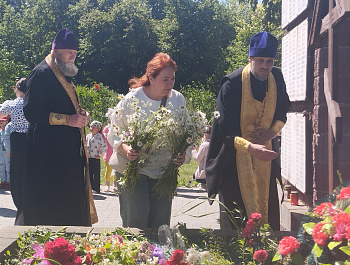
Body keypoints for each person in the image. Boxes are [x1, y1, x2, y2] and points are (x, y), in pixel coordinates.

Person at [206, 31, 291, 231]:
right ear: (250, 58)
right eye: (260, 60)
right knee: (237, 219)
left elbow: (283, 108)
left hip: (265, 158)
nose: (265, 66)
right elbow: (223, 129)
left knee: (267, 209)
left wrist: (273, 132)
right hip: (234, 160)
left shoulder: (276, 77)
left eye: (269, 61)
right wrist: (249, 147)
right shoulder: (232, 84)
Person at [22, 28, 97, 226]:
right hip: (47, 154)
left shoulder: (63, 73)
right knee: (50, 204)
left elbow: (66, 105)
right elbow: (31, 112)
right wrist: (69, 120)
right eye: (68, 51)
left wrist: (81, 114)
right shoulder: (41, 73)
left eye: (75, 52)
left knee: (68, 199)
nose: (72, 55)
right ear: (55, 52)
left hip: (65, 153)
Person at [107, 53, 190, 229]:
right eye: (165, 79)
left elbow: (186, 132)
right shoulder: (133, 99)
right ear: (151, 78)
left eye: (173, 79)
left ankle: (159, 256)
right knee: (137, 219)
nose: (170, 84)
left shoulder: (177, 99)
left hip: (164, 170)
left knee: (161, 222)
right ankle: (135, 255)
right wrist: (125, 148)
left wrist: (184, 155)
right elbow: (114, 129)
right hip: (135, 168)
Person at [0, 78, 29, 223]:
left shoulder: (12, 103)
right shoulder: (32, 102)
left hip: (17, 139)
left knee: (16, 171)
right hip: (31, 138)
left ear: (17, 89)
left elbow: (1, 113)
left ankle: (20, 203)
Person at [86, 120, 107, 194]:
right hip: (89, 157)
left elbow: (105, 146)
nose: (91, 128)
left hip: (95, 157)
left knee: (96, 172)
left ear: (98, 129)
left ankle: (97, 188)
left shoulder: (99, 136)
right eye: (91, 126)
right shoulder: (88, 136)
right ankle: (91, 187)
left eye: (94, 127)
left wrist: (100, 154)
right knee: (89, 172)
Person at [192, 125, 211, 190]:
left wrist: (193, 150)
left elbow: (197, 159)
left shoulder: (204, 145)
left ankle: (202, 184)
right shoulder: (216, 143)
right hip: (214, 172)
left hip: (204, 174)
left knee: (194, 175)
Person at [102, 124, 117, 192]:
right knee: (108, 170)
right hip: (108, 152)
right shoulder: (107, 128)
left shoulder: (118, 126)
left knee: (116, 170)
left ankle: (115, 185)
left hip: (116, 152)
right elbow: (103, 137)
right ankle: (107, 185)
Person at [0, 116, 11, 190]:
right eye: (0, 121)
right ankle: (3, 181)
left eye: (3, 121)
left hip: (7, 153)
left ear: (7, 121)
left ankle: (8, 181)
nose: (1, 122)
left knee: (8, 167)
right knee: (1, 167)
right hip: (1, 153)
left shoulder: (8, 130)